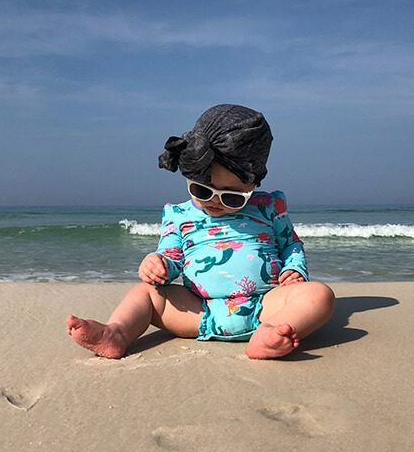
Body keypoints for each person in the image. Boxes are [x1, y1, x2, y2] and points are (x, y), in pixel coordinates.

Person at [67, 104, 335, 359]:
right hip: (197, 310)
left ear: (252, 183)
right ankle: (117, 333)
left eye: (232, 197)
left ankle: (269, 335)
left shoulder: (269, 206)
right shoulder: (179, 215)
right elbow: (171, 256)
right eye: (202, 190)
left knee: (318, 295)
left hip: (267, 305)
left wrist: (295, 270)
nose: (215, 200)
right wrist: (158, 264)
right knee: (144, 294)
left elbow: (290, 244)